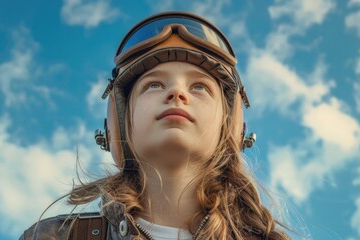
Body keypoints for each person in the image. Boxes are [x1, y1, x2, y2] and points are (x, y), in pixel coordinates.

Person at [20, 11, 290, 240]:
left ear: (231, 127)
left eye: (199, 86)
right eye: (154, 84)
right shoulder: (56, 235)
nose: (176, 93)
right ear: (119, 122)